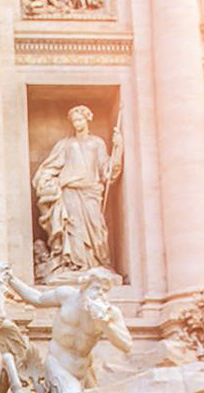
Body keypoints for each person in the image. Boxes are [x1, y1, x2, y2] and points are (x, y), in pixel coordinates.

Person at [32, 104, 122, 273]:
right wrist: (45, 180)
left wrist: (119, 148)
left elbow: (107, 170)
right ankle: (75, 264)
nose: (77, 123)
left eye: (79, 119)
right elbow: (51, 166)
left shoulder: (97, 143)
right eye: (74, 121)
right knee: (74, 229)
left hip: (91, 191)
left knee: (96, 227)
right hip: (70, 191)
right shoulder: (66, 144)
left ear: (87, 120)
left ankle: (96, 264)